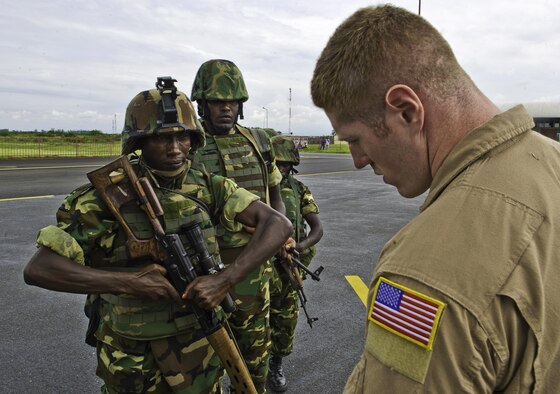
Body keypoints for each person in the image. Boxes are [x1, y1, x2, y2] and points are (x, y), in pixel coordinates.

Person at [311, 4, 560, 392]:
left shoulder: (426, 274)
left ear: (406, 111)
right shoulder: (552, 164)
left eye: (355, 139)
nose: (358, 161)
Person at [23, 81, 292, 394]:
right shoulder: (106, 195)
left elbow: (277, 223)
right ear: (139, 141)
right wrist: (129, 282)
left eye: (183, 136)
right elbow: (39, 268)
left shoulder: (206, 184)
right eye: (163, 138)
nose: (175, 148)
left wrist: (226, 279)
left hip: (198, 344)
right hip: (134, 354)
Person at [190, 59, 285, 393]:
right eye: (217, 101)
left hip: (254, 271)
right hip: (201, 269)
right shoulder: (184, 145)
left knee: (254, 360)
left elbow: (276, 196)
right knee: (203, 364)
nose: (226, 107)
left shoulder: (259, 141)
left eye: (232, 101)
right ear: (202, 103)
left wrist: (279, 238)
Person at [267, 136, 323, 392]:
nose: (281, 169)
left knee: (285, 321)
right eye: (277, 164)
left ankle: (275, 364)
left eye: (286, 165)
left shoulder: (300, 189)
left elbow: (317, 228)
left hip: (289, 266)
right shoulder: (255, 189)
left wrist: (299, 246)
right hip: (259, 268)